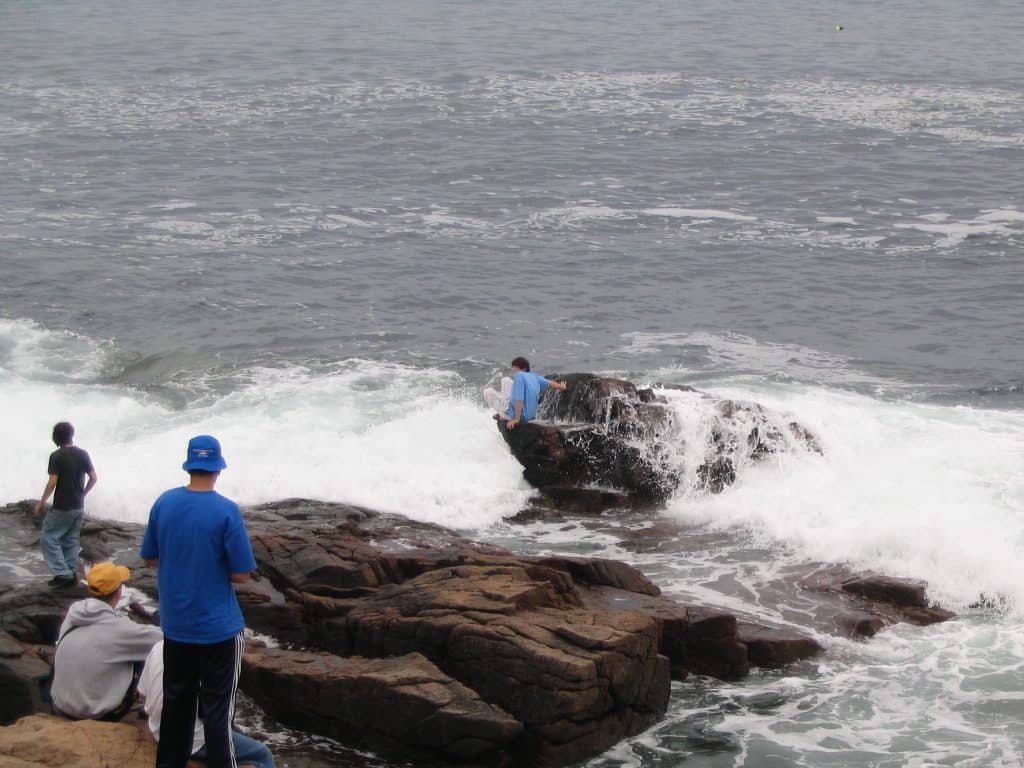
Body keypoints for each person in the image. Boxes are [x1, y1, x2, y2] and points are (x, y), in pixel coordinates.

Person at [140, 434, 258, 768]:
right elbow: (241, 575)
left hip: (176, 625)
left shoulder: (164, 503)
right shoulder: (226, 511)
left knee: (178, 705)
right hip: (219, 629)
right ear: (218, 468)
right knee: (218, 712)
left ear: (190, 465)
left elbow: (149, 558)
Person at [50, 562, 162, 720]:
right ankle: (152, 706)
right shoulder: (120, 629)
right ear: (118, 591)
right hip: (96, 714)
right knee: (154, 653)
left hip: (61, 705)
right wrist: (154, 616)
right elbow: (164, 639)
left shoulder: (75, 612)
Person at [138, 640, 275, 768]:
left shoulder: (159, 646)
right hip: (192, 740)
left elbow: (142, 694)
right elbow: (215, 711)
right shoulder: (209, 654)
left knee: (235, 731)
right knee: (262, 754)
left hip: (158, 728)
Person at [35, 422, 98, 587]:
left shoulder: (56, 456)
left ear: (55, 437)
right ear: (72, 435)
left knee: (49, 538)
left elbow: (52, 483)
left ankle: (62, 574)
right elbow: (93, 478)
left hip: (63, 506)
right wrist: (83, 494)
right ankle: (70, 573)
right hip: (78, 505)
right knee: (70, 539)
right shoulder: (83, 454)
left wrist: (41, 502)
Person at [503, 357, 568, 429]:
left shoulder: (519, 376)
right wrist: (562, 387)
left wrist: (516, 419)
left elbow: (519, 398)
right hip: (530, 416)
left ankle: (502, 410)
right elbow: (550, 383)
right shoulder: (535, 376)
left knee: (501, 383)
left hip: (520, 415)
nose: (513, 370)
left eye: (515, 368)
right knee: (508, 383)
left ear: (523, 368)